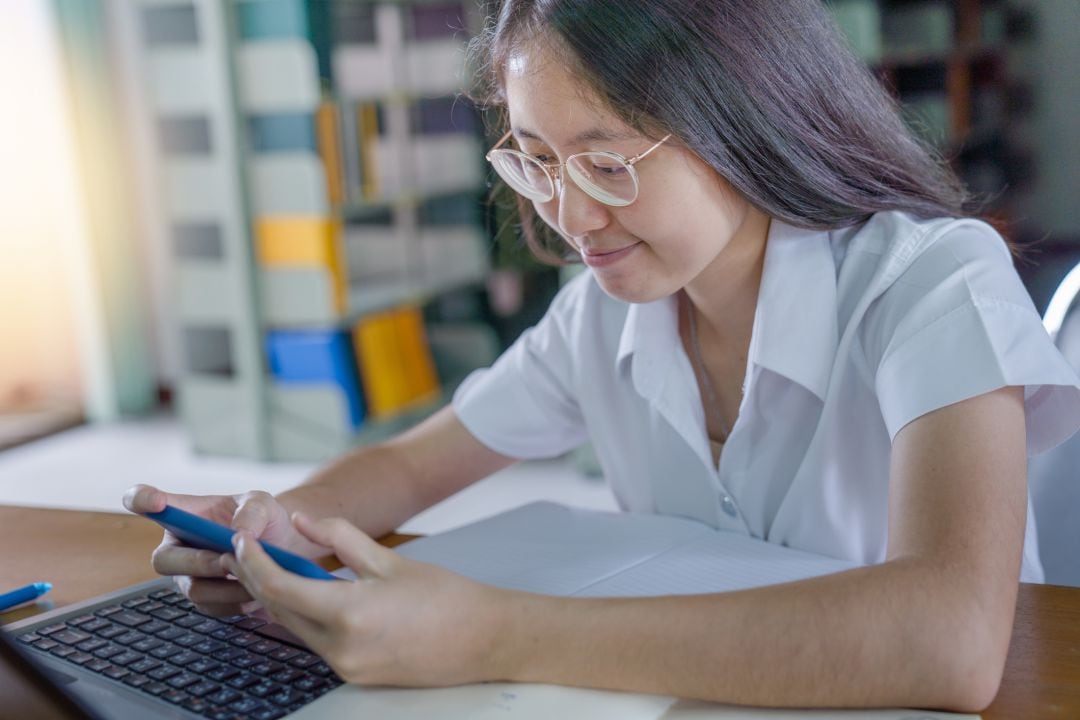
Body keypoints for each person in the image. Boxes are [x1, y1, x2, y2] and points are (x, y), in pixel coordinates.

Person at [125, 0, 1080, 711]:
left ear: (746, 127)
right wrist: (271, 532)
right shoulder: (603, 316)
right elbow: (417, 461)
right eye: (535, 160)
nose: (570, 217)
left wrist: (493, 633)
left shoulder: (929, 281)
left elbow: (948, 640)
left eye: (607, 162)